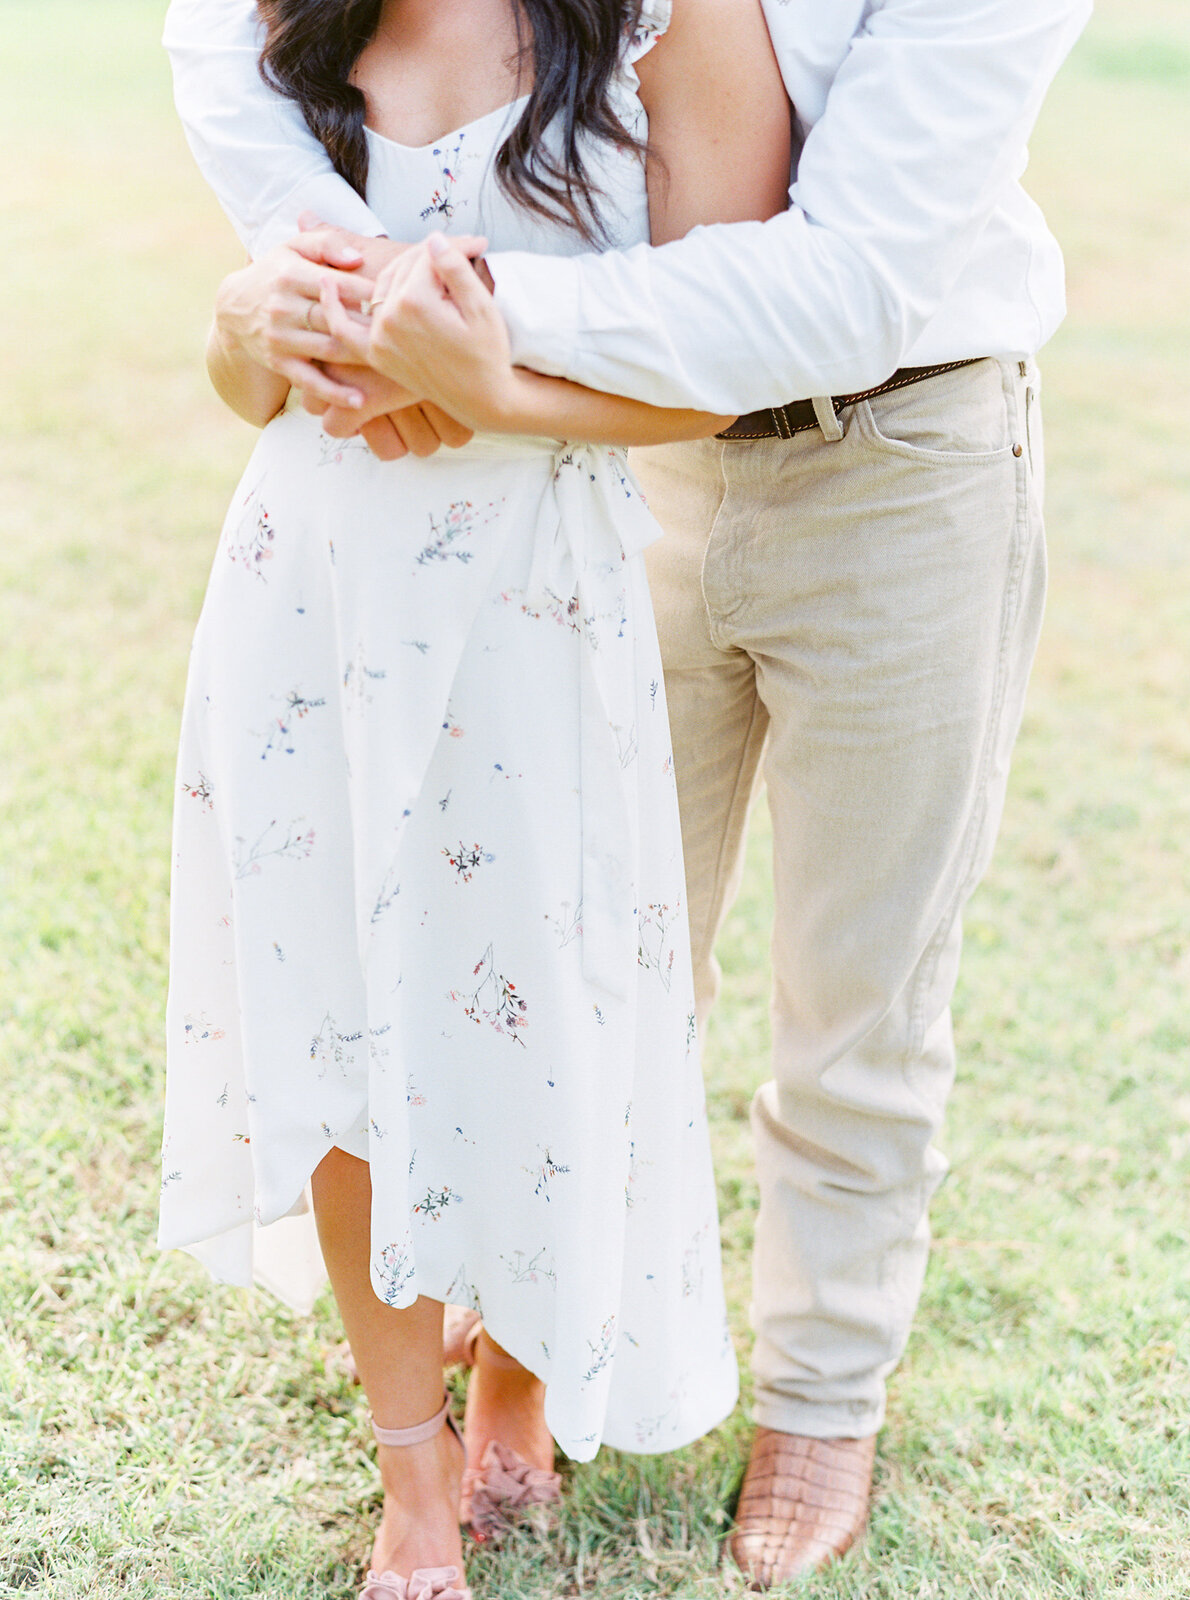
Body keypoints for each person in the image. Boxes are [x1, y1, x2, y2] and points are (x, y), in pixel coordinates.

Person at [164, 0, 1094, 1585]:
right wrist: (360, 326)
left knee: (861, 987)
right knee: (576, 951)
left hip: (902, 453)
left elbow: (848, 285)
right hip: (618, 468)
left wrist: (438, 310)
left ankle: (819, 1404)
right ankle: (527, 1345)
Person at [157, 1, 794, 1595]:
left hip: (539, 593)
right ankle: (411, 1469)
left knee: (539, 1001)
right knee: (339, 1009)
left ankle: (519, 1362)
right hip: (312, 580)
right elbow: (258, 357)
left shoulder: (671, 18)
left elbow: (718, 375)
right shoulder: (262, 19)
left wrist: (491, 384)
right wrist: (242, 338)